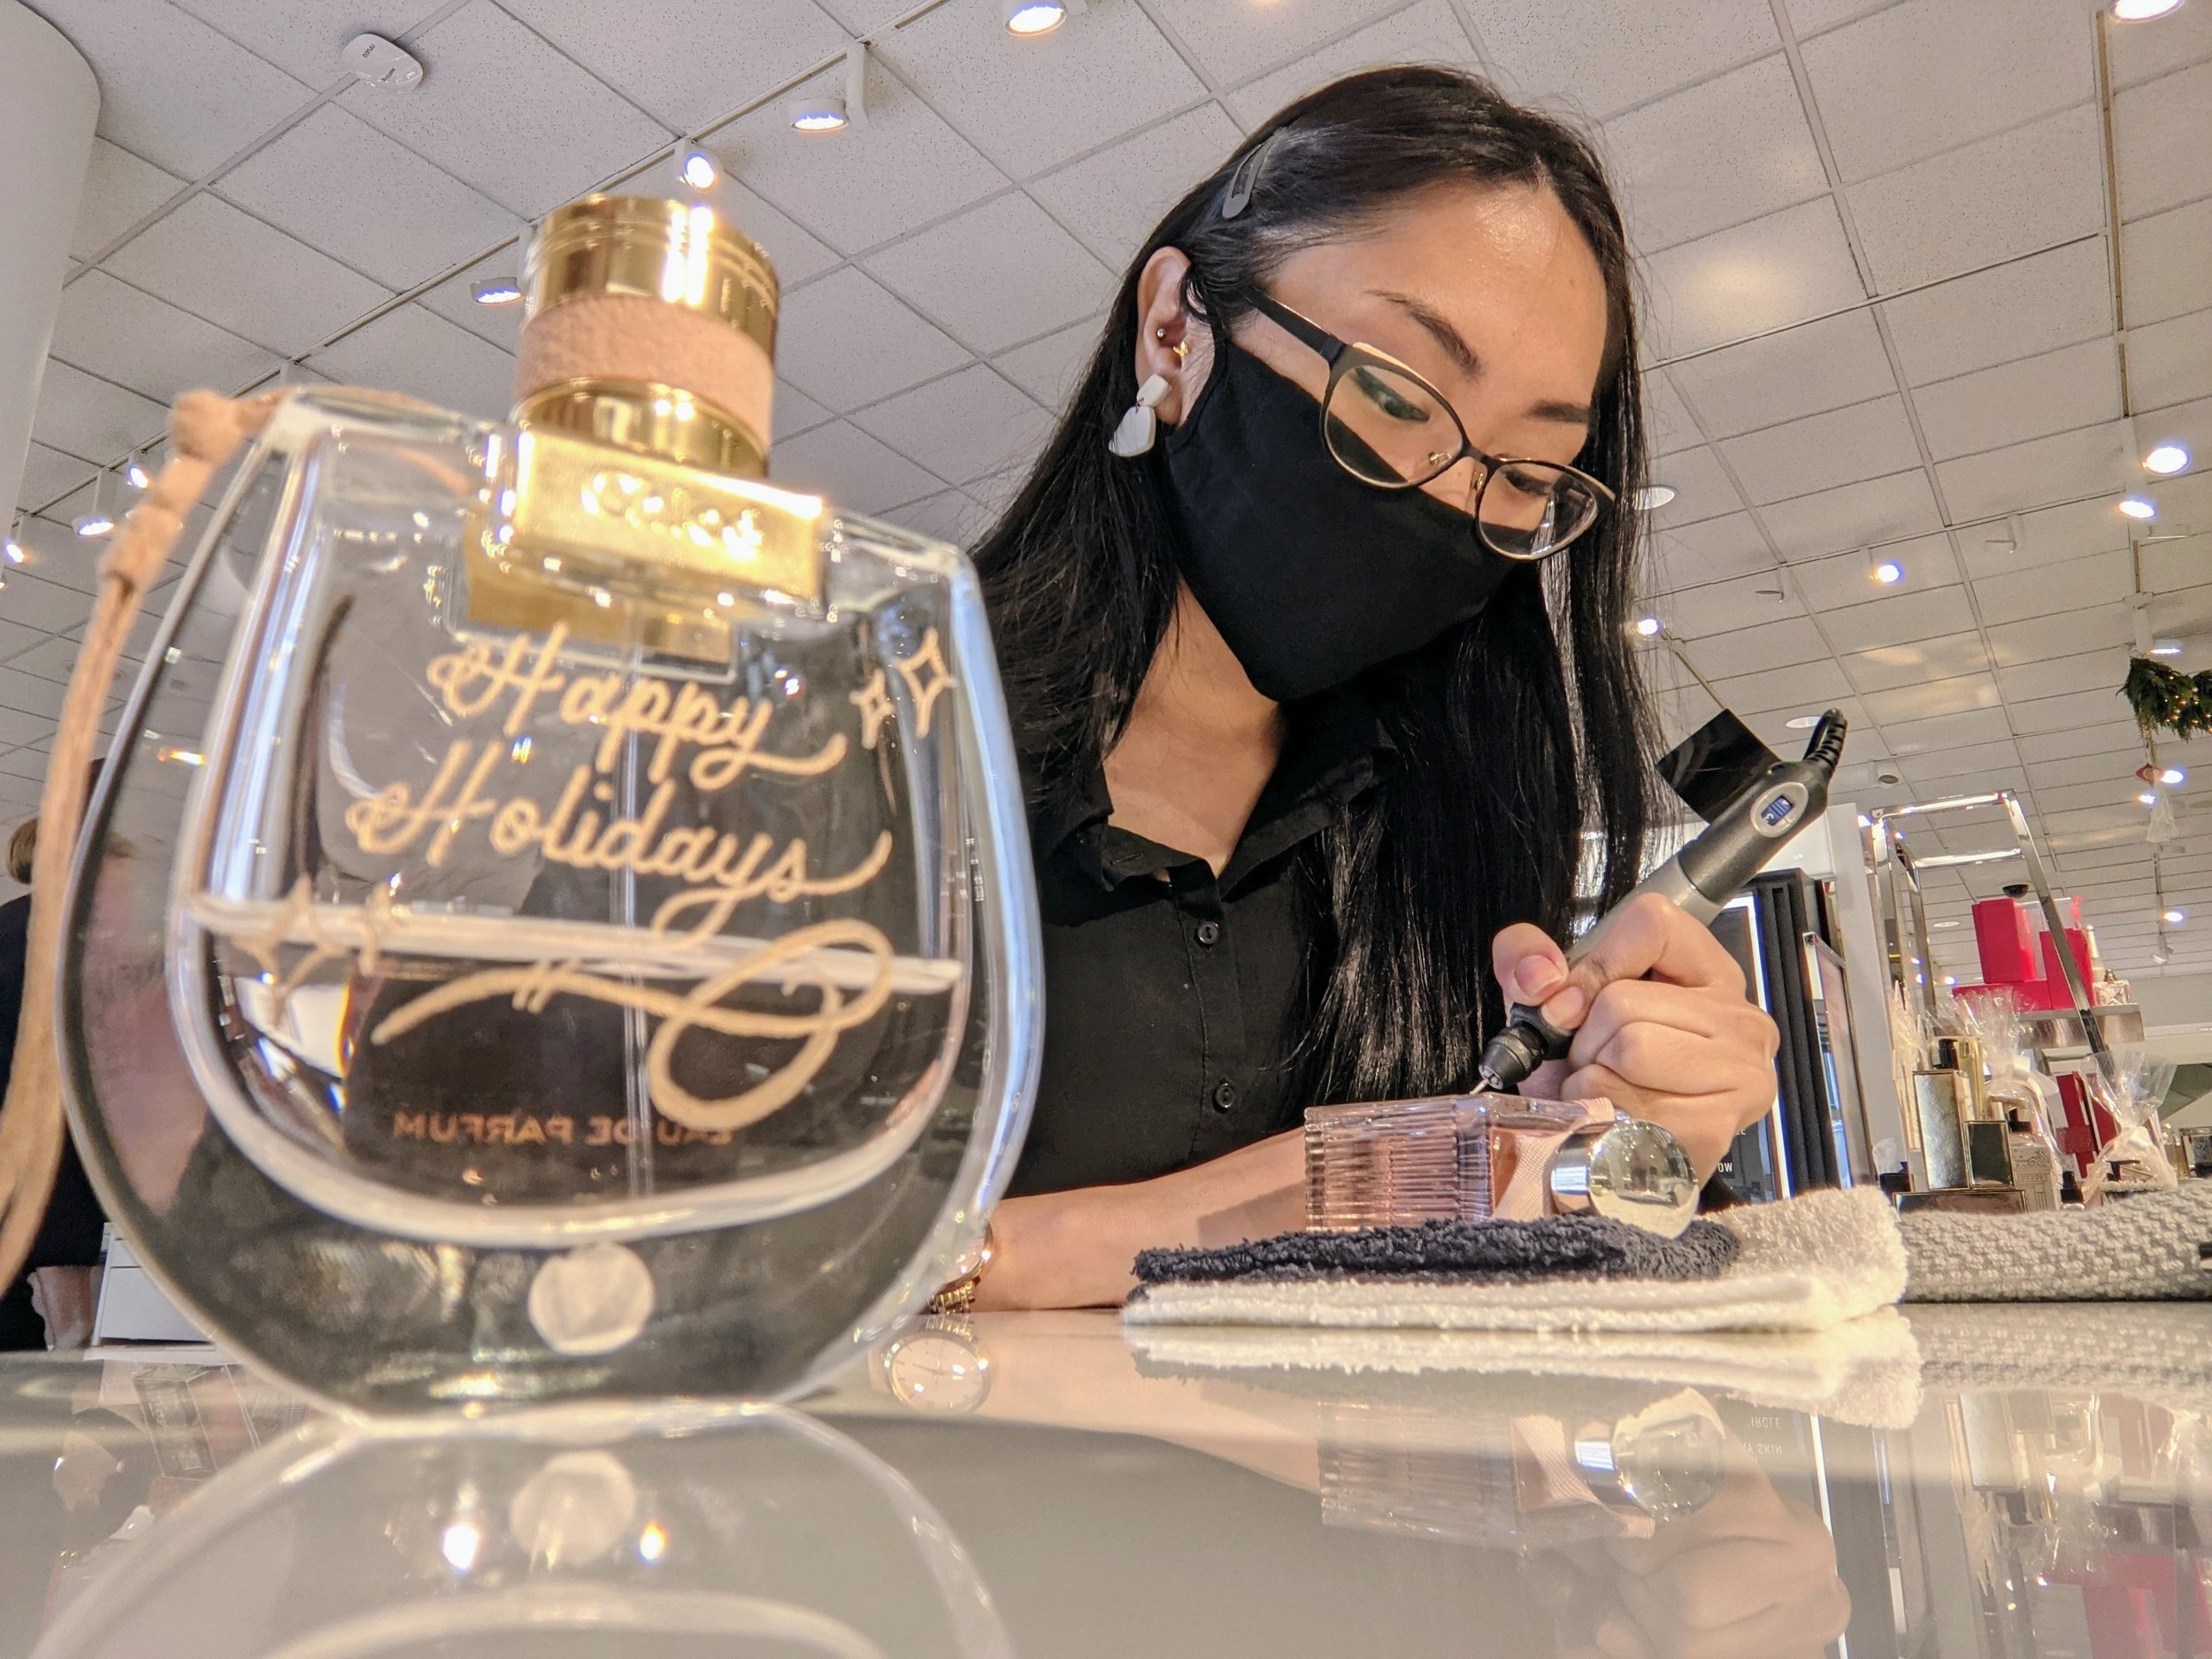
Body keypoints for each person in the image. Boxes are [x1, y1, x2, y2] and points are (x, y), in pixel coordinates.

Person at [957, 67, 1779, 1311]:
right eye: (1396, 393)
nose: (1448, 495)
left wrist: (1625, 1141)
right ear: (1174, 328)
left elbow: (1500, 1263)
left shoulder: (1451, 822)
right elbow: (687, 1255)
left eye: (1525, 475)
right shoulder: (858, 737)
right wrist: (1293, 1197)